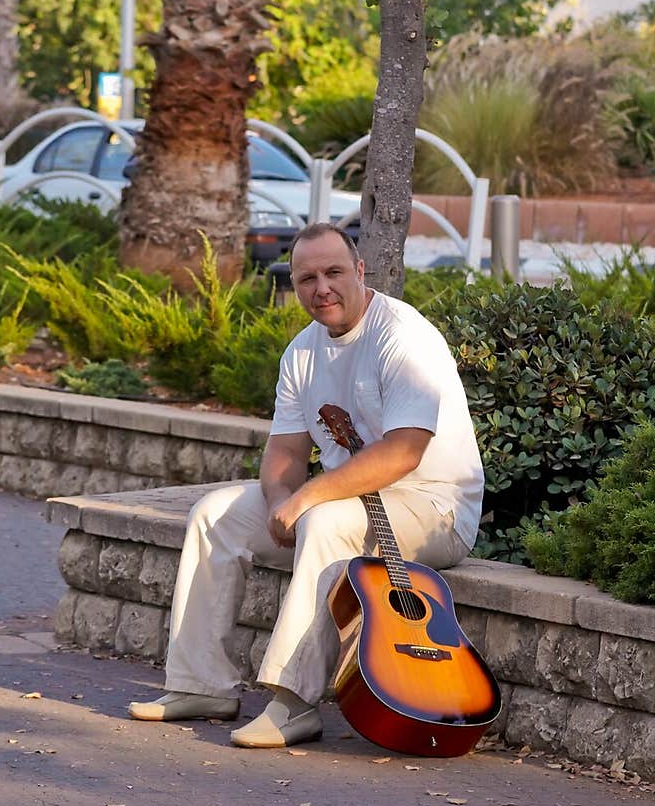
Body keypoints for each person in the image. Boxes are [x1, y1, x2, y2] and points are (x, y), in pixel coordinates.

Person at [128, 222, 484, 748]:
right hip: (349, 495)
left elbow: (405, 451)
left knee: (322, 519)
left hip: (433, 504)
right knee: (213, 514)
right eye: (307, 278)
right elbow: (287, 452)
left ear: (360, 271)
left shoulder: (402, 336)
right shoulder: (301, 352)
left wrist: (306, 498)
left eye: (334, 272)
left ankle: (293, 703)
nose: (322, 289)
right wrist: (278, 504)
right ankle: (201, 685)